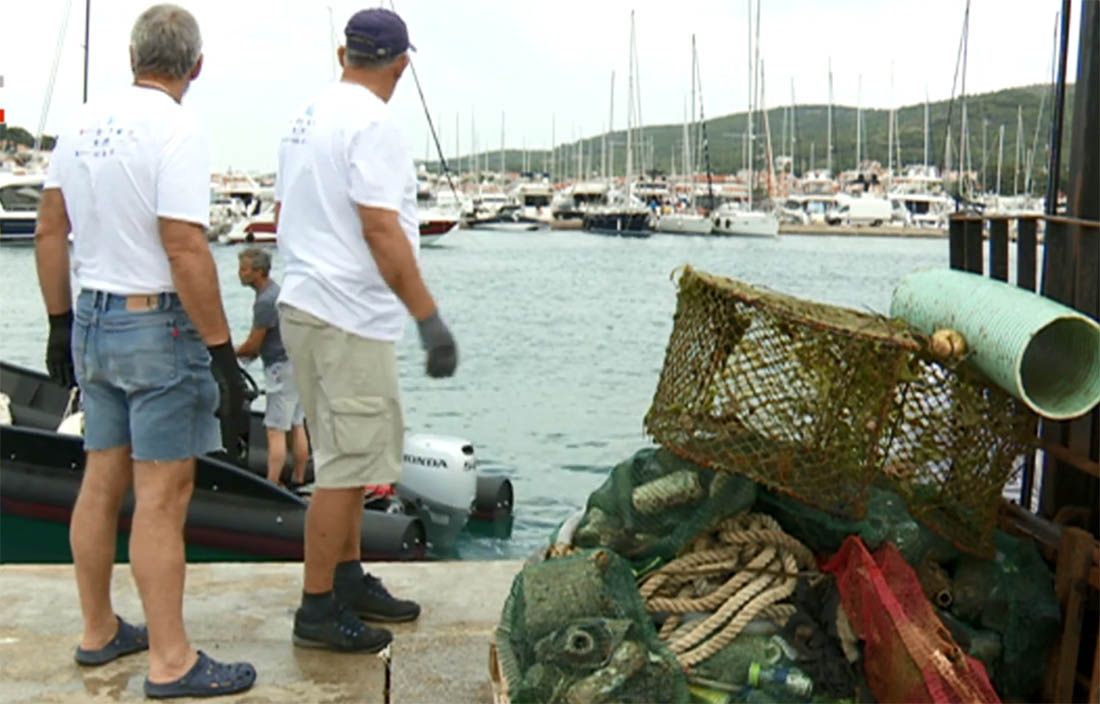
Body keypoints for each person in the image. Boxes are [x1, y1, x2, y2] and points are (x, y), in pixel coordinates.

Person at [34, 4, 255, 698]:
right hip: (156, 325)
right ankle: (171, 661)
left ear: (133, 58)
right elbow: (185, 246)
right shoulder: (179, 128)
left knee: (101, 480)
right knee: (163, 496)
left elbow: (49, 231)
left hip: (94, 318)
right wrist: (224, 357)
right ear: (196, 66)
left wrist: (58, 323)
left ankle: (99, 631)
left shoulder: (78, 124)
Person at [275, 7, 457, 653]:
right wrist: (429, 318)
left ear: (341, 54)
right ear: (402, 64)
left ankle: (347, 578)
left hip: (306, 307)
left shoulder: (308, 116)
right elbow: (382, 229)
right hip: (346, 316)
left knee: (342, 458)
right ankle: (317, 609)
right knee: (347, 469)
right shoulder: (374, 124)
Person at [235, 247, 309, 488]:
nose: (240, 273)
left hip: (280, 367)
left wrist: (226, 351)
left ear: (259, 272)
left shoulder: (265, 302)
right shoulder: (277, 292)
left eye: (244, 269)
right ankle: (299, 478)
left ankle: (271, 483)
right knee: (296, 423)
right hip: (297, 362)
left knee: (275, 429)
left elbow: (253, 346)